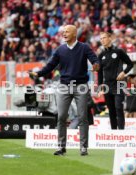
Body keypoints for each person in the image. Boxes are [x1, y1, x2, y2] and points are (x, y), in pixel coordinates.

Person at [29, 25, 99, 156]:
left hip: (81, 86)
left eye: (67, 31)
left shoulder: (84, 47)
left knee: (83, 117)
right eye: (63, 32)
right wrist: (38, 74)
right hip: (63, 86)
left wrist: (96, 65)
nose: (64, 33)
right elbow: (50, 66)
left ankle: (83, 147)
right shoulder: (60, 49)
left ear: (74, 34)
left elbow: (95, 60)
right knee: (61, 116)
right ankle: (61, 147)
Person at [98, 31, 133, 129]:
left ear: (110, 38)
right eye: (101, 39)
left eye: (104, 37)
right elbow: (99, 72)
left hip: (118, 85)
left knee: (118, 107)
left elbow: (130, 64)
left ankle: (121, 131)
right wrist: (100, 87)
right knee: (111, 110)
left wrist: (124, 72)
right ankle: (114, 131)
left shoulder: (119, 52)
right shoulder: (101, 55)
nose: (102, 40)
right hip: (107, 86)